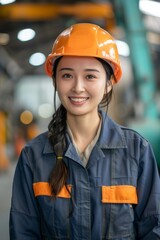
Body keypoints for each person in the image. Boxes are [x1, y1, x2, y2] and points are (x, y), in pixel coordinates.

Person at [9, 23, 160, 239]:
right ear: (55, 81)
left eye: (90, 76)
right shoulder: (33, 156)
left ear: (108, 83)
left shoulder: (137, 151)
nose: (78, 87)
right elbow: (23, 232)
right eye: (67, 75)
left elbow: (153, 228)